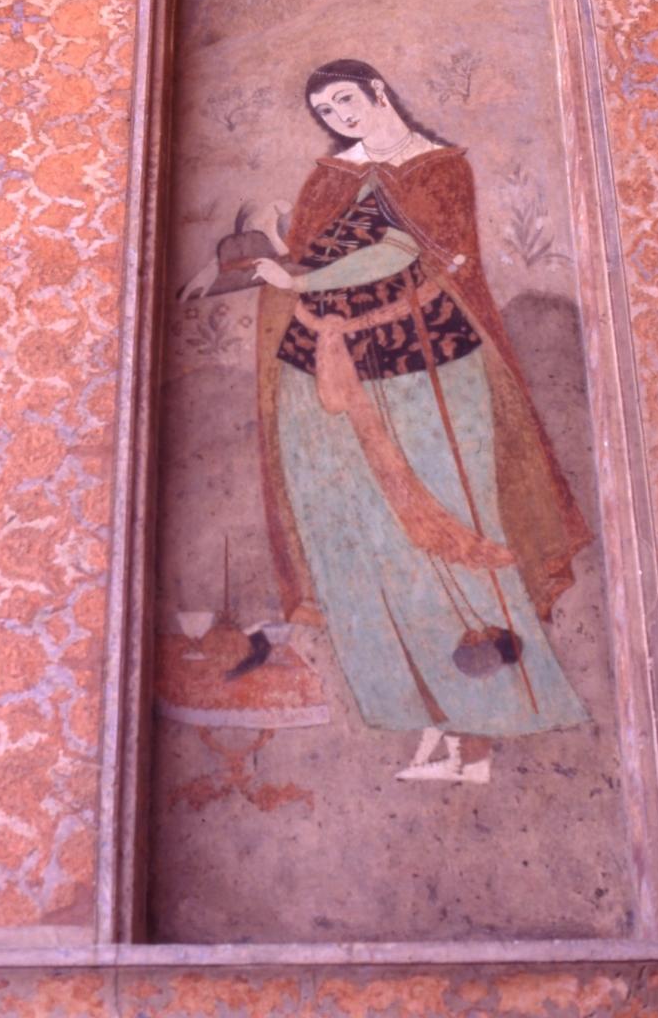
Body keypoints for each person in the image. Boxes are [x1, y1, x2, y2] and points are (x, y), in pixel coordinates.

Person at [194, 58, 592, 782]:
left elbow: (402, 249)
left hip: (424, 369)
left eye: (346, 99)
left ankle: (484, 724)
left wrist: (302, 277)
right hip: (319, 369)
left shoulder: (436, 168)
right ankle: (424, 718)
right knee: (355, 545)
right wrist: (255, 263)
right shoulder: (331, 176)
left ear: (377, 91)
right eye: (325, 109)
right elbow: (305, 251)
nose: (339, 115)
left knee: (447, 531)